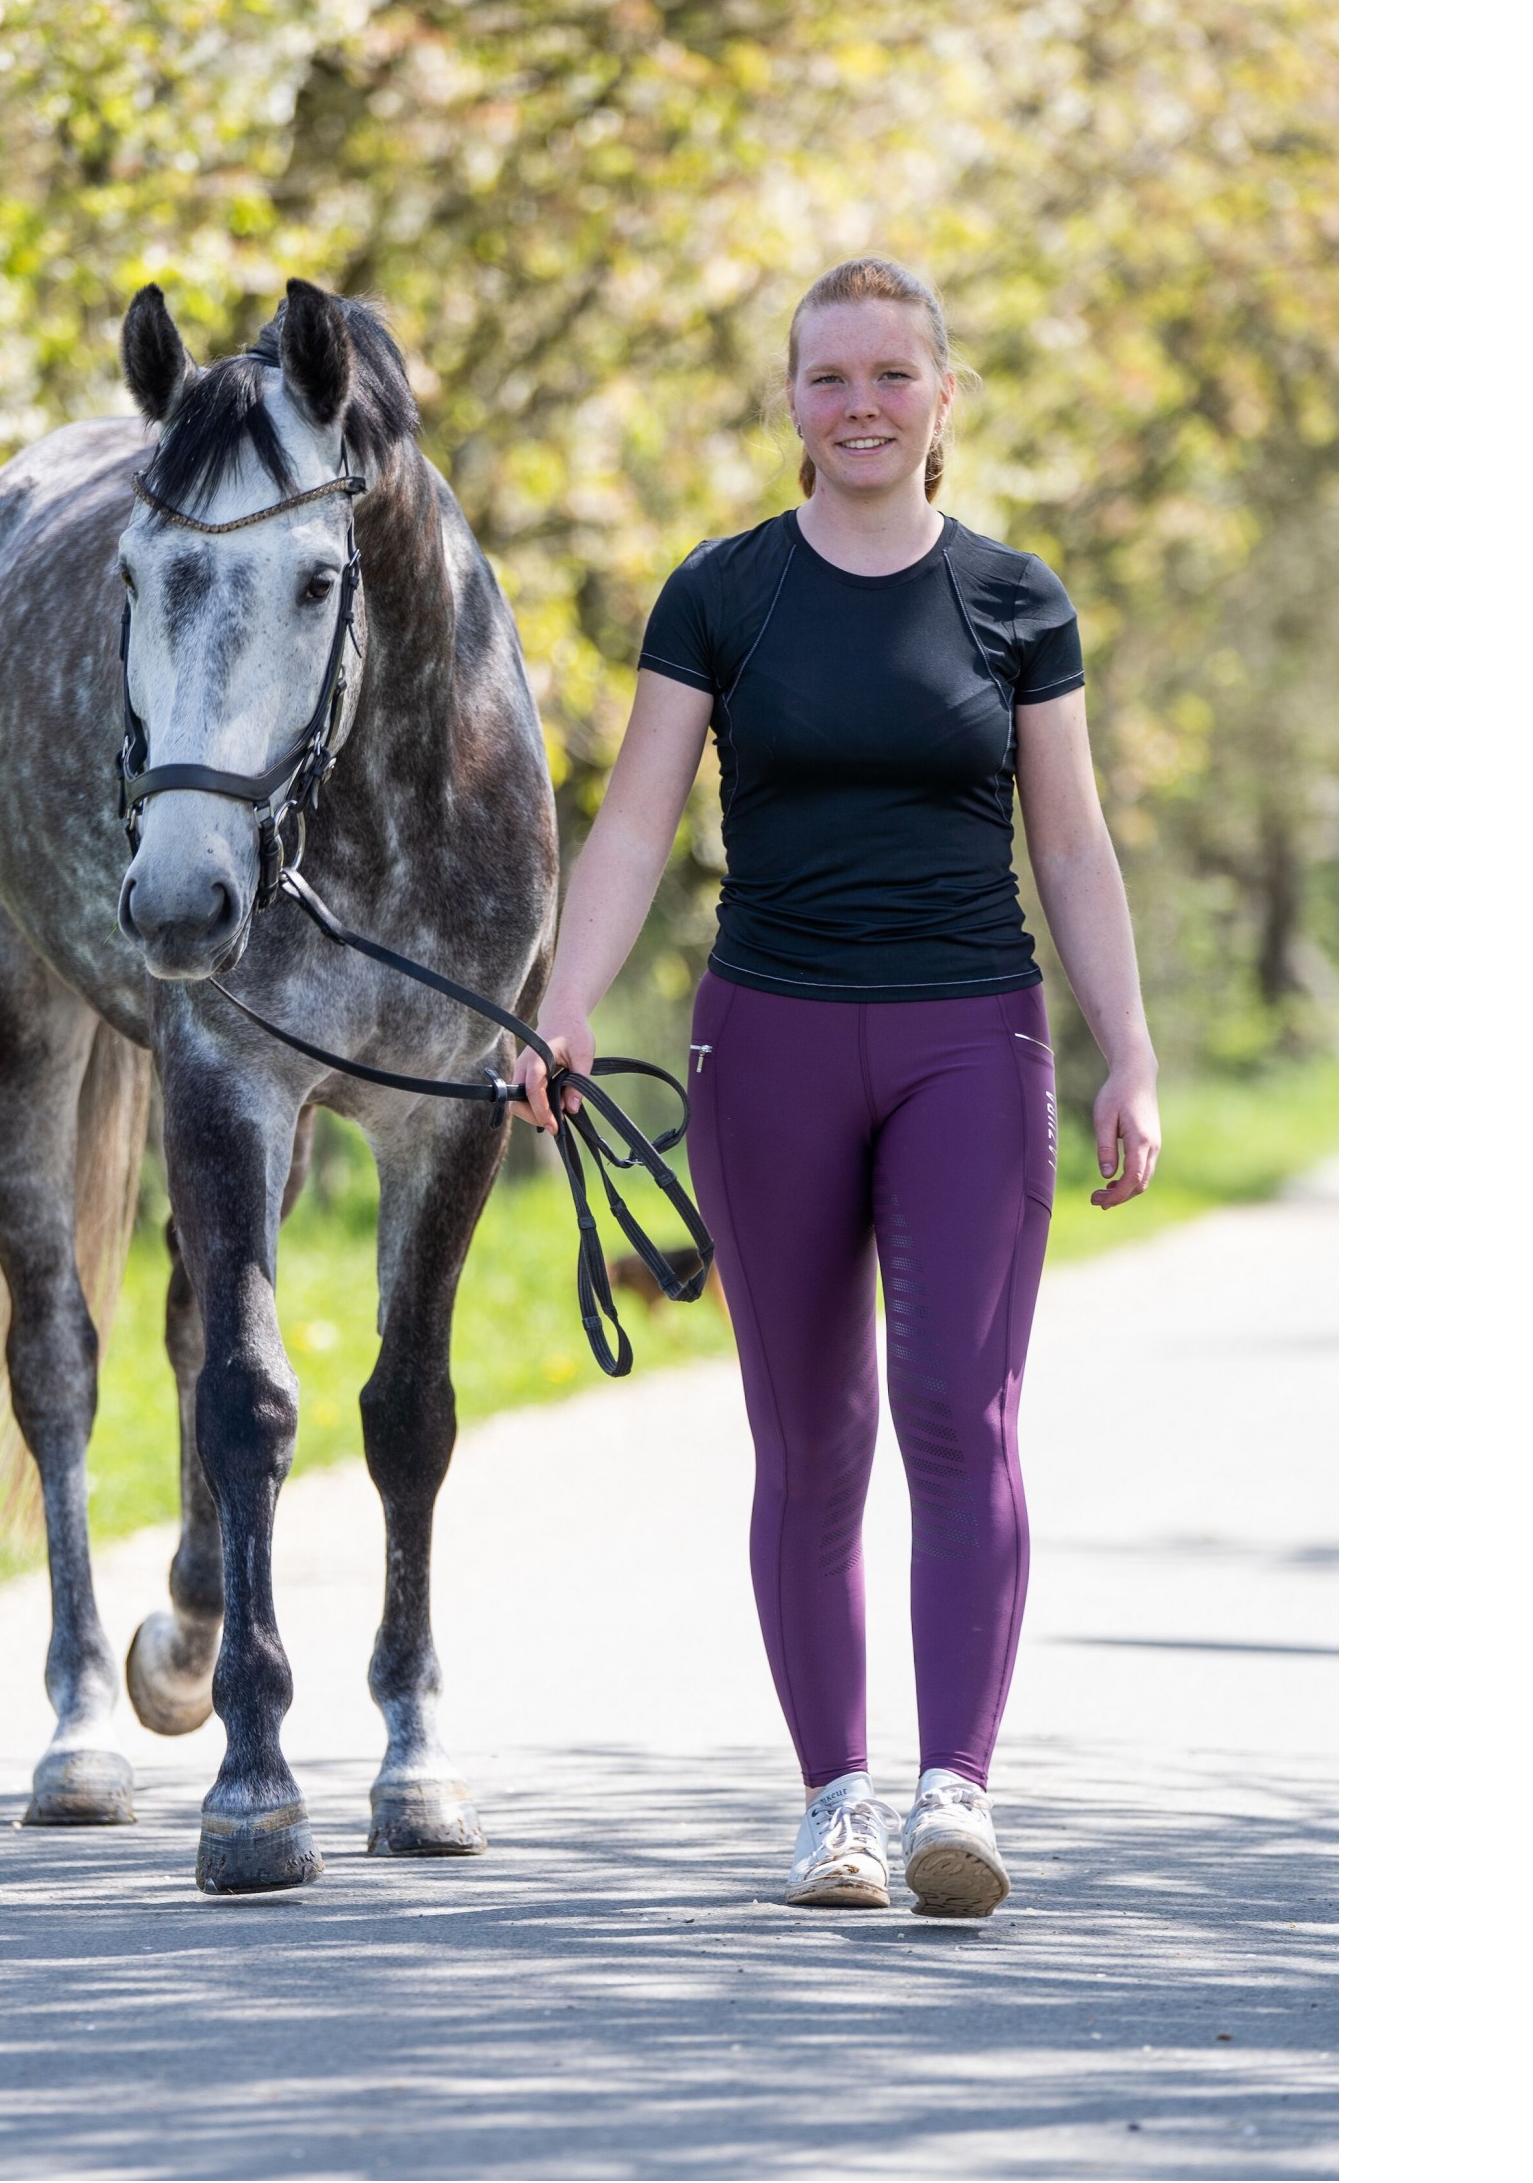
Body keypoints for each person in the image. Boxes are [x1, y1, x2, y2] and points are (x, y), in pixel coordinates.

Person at [517, 257, 1160, 1917]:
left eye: (891, 373)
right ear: (790, 404)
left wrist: (1128, 1053)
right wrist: (563, 1006)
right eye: (828, 377)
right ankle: (835, 1807)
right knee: (811, 1443)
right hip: (770, 1044)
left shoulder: (1018, 604)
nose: (860, 403)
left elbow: (1072, 845)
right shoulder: (720, 597)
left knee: (963, 1415)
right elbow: (638, 827)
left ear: (946, 398)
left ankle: (958, 1793)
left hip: (972, 1038)